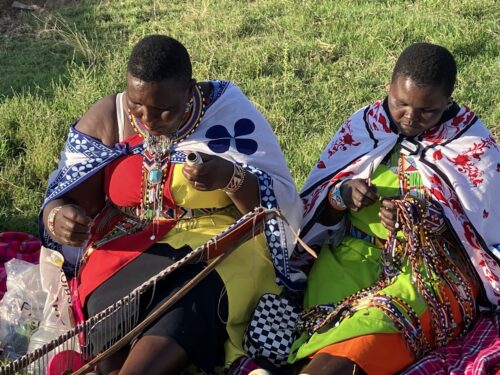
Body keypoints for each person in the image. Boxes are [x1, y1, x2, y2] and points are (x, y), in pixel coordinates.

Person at [39, 35, 303, 374]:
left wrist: (229, 177)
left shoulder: (228, 115)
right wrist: (58, 216)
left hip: (220, 241)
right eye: (138, 105)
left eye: (164, 109)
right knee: (111, 322)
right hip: (126, 247)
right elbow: (62, 193)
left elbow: (277, 203)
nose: (147, 119)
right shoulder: (111, 117)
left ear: (189, 89)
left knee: (185, 310)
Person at [289, 42, 500, 375]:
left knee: (346, 356)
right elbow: (314, 215)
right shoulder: (364, 128)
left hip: (428, 272)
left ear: (448, 100)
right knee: (315, 347)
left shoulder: (472, 148)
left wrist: (421, 220)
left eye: (427, 111)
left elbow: (481, 244)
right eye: (399, 103)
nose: (410, 117)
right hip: (349, 259)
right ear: (388, 87)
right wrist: (342, 196)